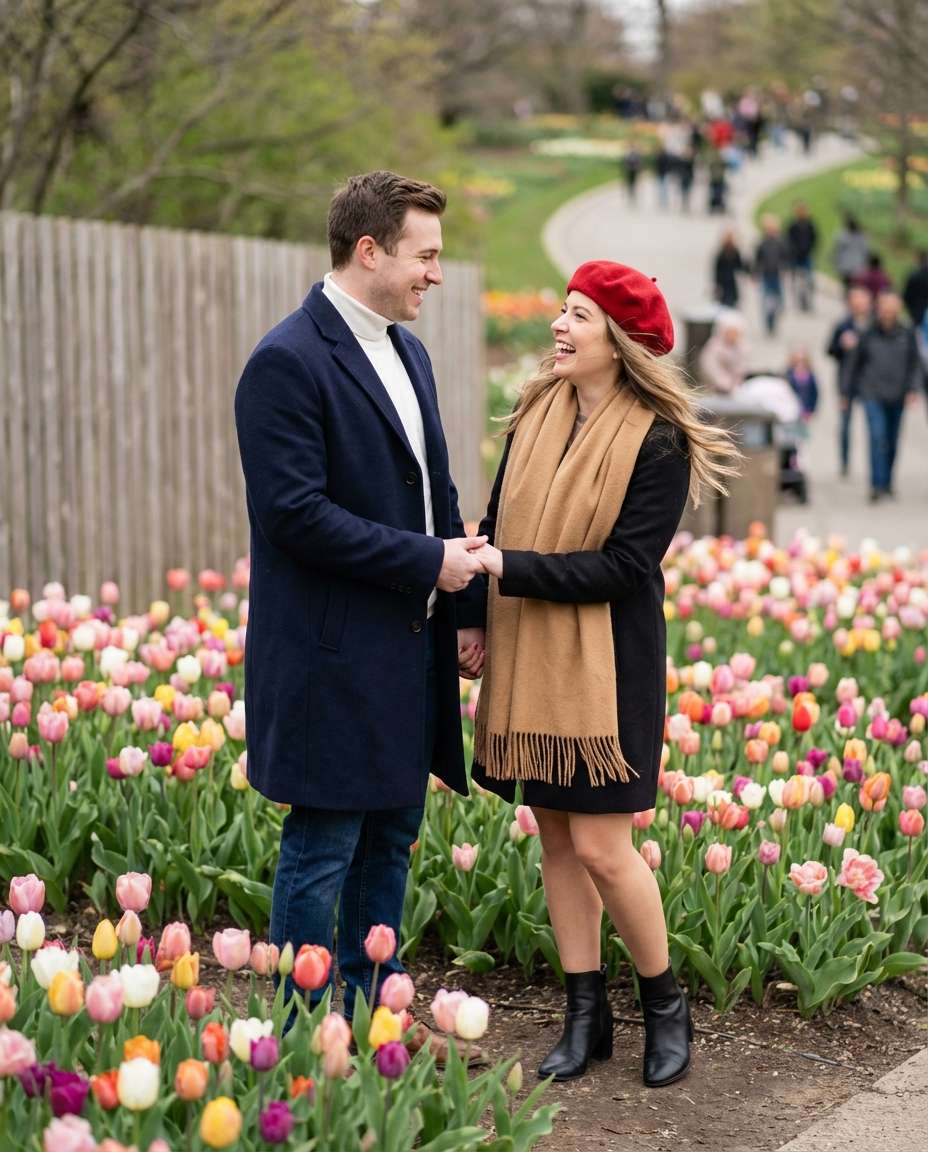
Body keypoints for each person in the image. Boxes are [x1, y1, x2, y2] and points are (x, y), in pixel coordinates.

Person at [466, 261, 737, 1090]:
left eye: (579, 316)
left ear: (616, 343)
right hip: (527, 653)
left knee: (602, 845)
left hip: (609, 662)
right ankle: (586, 1014)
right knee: (552, 833)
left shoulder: (657, 442)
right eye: (562, 310)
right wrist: (476, 616)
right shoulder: (537, 413)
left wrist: (509, 566)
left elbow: (622, 568)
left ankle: (665, 1004)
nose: (560, 326)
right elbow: (493, 518)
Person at [234, 170, 488, 1040]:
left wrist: (466, 612)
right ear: (369, 250)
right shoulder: (285, 362)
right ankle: (304, 1038)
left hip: (409, 650)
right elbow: (295, 517)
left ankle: (377, 1019)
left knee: (391, 841)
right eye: (426, 256)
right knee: (324, 849)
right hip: (330, 658)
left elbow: (434, 491)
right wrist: (430, 563)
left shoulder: (407, 350)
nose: (437, 275)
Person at [847, 291, 923, 502]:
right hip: (873, 393)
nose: (888, 313)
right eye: (885, 308)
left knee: (892, 440)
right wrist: (847, 392)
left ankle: (888, 482)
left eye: (892, 309)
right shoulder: (868, 333)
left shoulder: (906, 333)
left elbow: (915, 364)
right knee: (877, 438)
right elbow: (855, 364)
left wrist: (913, 389)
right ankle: (876, 484)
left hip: (897, 394)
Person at [826, 285, 873, 476]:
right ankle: (844, 461)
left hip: (870, 381)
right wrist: (841, 344)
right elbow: (829, 350)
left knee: (874, 424)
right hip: (846, 381)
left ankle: (875, 466)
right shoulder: (843, 325)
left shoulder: (874, 324)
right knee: (845, 424)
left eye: (863, 302)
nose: (860, 305)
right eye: (856, 302)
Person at [699, 309, 749, 394]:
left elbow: (742, 366)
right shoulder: (714, 347)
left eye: (735, 333)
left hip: (735, 387)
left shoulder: (741, 347)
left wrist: (737, 382)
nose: (733, 336)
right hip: (715, 388)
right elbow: (711, 367)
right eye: (730, 332)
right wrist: (725, 384)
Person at [754, 215, 788, 336]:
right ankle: (769, 322)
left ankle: (774, 319)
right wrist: (756, 273)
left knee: (779, 302)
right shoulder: (762, 243)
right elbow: (757, 260)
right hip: (766, 275)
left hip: (777, 275)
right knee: (766, 301)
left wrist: (784, 268)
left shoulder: (781, 243)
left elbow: (786, 257)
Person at [786, 202, 818, 312]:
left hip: (807, 256)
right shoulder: (793, 225)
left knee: (809, 280)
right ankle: (799, 300)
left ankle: (808, 301)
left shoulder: (810, 225)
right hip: (796, 257)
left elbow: (815, 238)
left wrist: (811, 249)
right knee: (797, 281)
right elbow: (788, 240)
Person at [831, 214, 869, 288]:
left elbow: (838, 249)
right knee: (852, 284)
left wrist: (835, 259)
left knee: (849, 284)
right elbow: (865, 251)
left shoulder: (843, 235)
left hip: (848, 265)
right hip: (856, 266)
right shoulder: (862, 237)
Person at [713, 231, 747, 308]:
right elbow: (717, 270)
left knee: (731, 303)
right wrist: (717, 284)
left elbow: (740, 266)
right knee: (724, 304)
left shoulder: (735, 252)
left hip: (731, 282)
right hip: (724, 283)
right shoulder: (721, 253)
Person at [785, 348, 819, 419]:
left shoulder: (810, 375)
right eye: (798, 360)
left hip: (806, 411)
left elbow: (814, 393)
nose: (800, 363)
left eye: (802, 360)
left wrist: (811, 409)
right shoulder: (788, 374)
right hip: (791, 410)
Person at [902, 250, 928, 329]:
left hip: (915, 314)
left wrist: (911, 309)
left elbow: (906, 296)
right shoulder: (914, 276)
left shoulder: (913, 276)